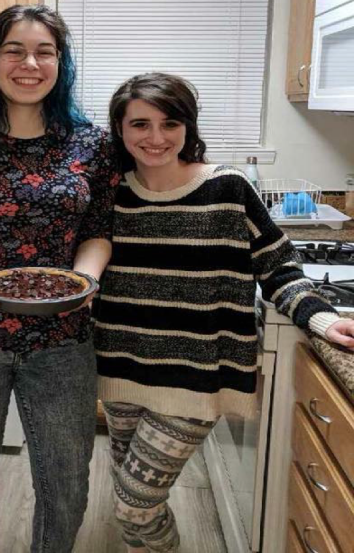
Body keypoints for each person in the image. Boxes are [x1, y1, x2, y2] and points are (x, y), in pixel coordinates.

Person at [95, 72, 354, 553]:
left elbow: (278, 267)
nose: (156, 138)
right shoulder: (111, 193)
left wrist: (320, 317)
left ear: (188, 128)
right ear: (120, 129)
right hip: (120, 367)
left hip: (196, 377)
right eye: (140, 124)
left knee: (134, 503)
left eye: (170, 124)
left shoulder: (227, 188)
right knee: (127, 488)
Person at [0, 4, 119, 553]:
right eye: (14, 49)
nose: (29, 63)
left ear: (61, 62)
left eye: (44, 51)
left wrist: (83, 280)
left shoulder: (91, 144)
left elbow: (98, 229)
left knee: (66, 481)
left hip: (62, 338)